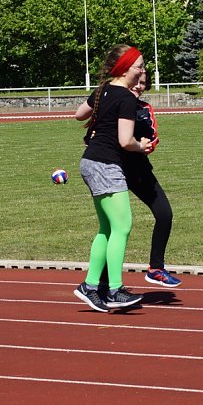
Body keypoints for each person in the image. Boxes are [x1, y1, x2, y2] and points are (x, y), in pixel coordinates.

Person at [76, 69, 181, 288]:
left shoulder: (144, 110)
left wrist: (147, 146)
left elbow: (150, 139)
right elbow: (92, 136)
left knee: (164, 214)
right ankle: (103, 283)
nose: (139, 86)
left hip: (138, 171)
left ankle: (155, 268)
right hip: (112, 170)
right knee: (114, 227)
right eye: (136, 81)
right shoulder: (111, 104)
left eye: (143, 83)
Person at [72, 45, 153, 312]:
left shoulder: (103, 90)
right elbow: (124, 140)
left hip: (92, 162)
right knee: (122, 226)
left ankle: (91, 286)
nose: (142, 71)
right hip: (106, 165)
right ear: (125, 68)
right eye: (138, 66)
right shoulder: (127, 98)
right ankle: (115, 289)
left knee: (107, 229)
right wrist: (141, 146)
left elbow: (79, 114)